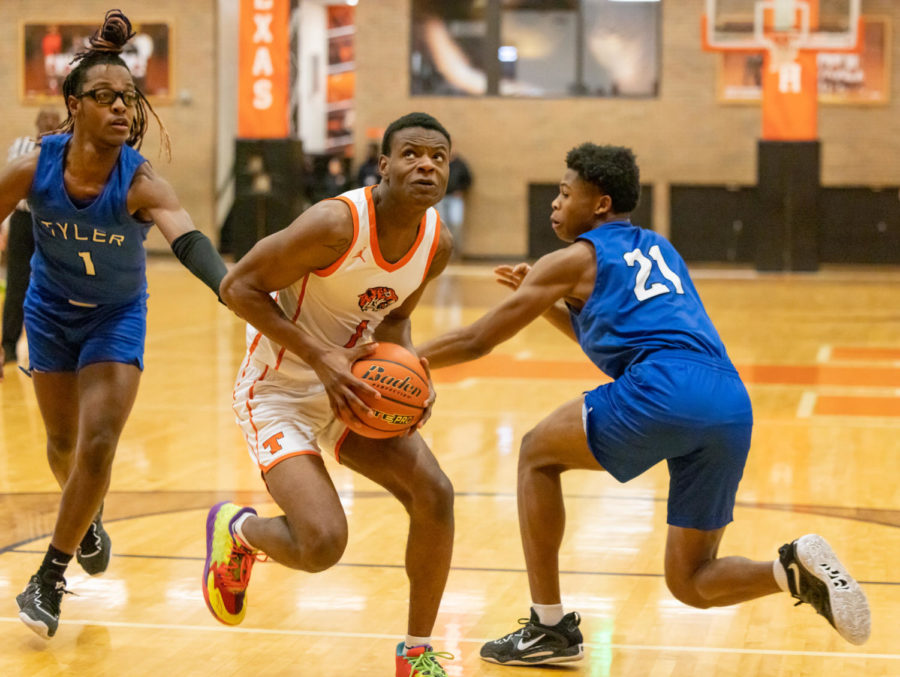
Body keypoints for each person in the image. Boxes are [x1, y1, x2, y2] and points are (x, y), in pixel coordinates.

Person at [418, 143, 871, 665]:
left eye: (566, 193)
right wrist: (547, 303)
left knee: (537, 453)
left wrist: (405, 358)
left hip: (665, 387)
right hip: (727, 400)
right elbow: (621, 343)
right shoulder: (659, 249)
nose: (555, 204)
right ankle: (789, 570)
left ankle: (548, 628)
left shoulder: (571, 259)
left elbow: (477, 340)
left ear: (601, 204)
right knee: (691, 581)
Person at [0, 10, 228, 639]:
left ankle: (49, 574)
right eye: (104, 98)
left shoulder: (142, 181)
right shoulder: (31, 167)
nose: (121, 110)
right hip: (48, 313)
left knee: (97, 442)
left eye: (128, 99)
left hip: (116, 316)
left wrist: (229, 285)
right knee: (62, 446)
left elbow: (188, 237)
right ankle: (88, 515)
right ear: (74, 105)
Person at [206, 112, 456, 677]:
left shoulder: (437, 243)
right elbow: (237, 287)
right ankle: (238, 531)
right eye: (412, 153)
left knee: (434, 494)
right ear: (384, 164)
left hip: (350, 387)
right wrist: (319, 355)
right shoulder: (334, 224)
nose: (426, 164)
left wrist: (411, 372)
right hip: (278, 389)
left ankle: (417, 656)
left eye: (438, 157)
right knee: (322, 544)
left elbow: (394, 321)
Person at [1, 108, 62, 364]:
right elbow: (13, 186)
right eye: (44, 119)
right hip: (24, 220)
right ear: (37, 123)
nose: (48, 123)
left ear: (60, 124)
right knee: (17, 282)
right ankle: (9, 344)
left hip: (53, 223)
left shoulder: (66, 150)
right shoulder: (21, 147)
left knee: (58, 285)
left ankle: (55, 346)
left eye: (53, 120)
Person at [434, 151, 472, 260]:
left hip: (455, 198)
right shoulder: (439, 163)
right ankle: (442, 253)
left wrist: (461, 189)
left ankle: (456, 253)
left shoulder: (460, 164)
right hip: (440, 197)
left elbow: (468, 179)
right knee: (441, 225)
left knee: (456, 224)